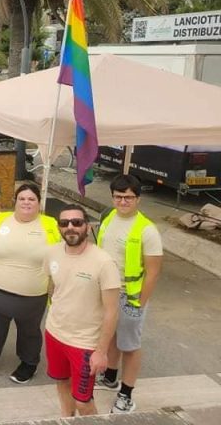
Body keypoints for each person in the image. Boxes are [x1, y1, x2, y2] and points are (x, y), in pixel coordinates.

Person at [0, 183, 60, 384]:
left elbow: (63, 256)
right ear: (15, 201)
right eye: (22, 198)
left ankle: (29, 363)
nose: (26, 202)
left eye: (31, 199)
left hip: (33, 296)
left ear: (39, 203)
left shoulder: (51, 225)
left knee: (29, 332)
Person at [95, 174, 163, 414]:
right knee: (111, 337)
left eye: (128, 197)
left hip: (130, 297)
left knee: (130, 346)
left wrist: (139, 304)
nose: (123, 202)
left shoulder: (147, 230)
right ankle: (110, 376)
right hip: (108, 292)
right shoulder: (109, 218)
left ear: (138, 199)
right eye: (118, 196)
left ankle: (126, 394)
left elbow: (153, 273)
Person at [45, 204, 120, 417]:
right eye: (64, 223)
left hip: (85, 344)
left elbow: (112, 312)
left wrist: (101, 351)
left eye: (77, 223)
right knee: (61, 382)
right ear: (59, 227)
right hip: (55, 334)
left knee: (83, 401)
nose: (71, 227)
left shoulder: (104, 263)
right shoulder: (52, 253)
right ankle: (67, 419)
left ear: (87, 227)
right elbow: (52, 287)